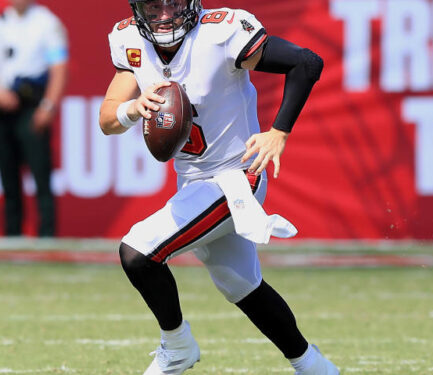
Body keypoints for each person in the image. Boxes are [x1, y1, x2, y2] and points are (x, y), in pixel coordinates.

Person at [99, 0, 337, 374]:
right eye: (153, 7)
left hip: (237, 178)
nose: (163, 15)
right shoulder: (129, 38)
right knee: (241, 285)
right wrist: (132, 109)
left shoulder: (220, 33)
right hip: (194, 183)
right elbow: (107, 119)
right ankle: (315, 366)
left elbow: (306, 63)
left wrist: (279, 131)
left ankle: (177, 346)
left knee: (137, 251)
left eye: (172, 5)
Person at [0, 0, 68, 237]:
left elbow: (59, 67)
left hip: (32, 105)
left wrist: (47, 106)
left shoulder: (46, 22)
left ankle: (47, 237)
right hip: (4, 107)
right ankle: (12, 236)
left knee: (41, 176)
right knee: (8, 178)